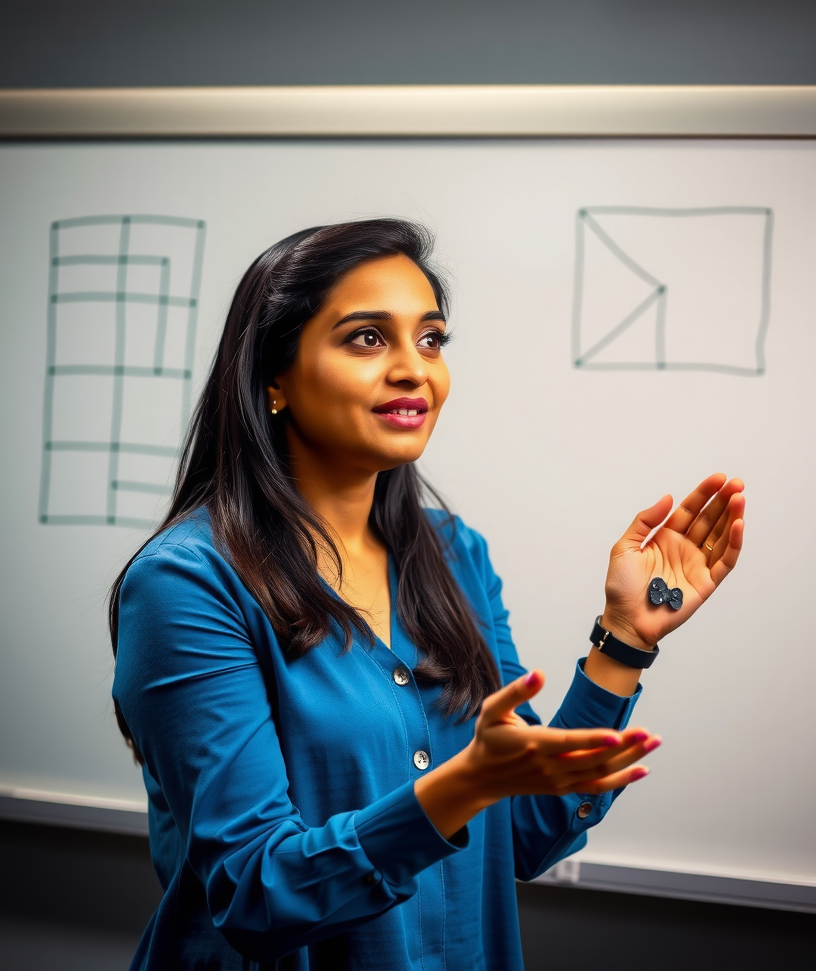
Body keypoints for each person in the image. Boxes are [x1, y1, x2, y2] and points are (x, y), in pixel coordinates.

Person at [109, 218, 745, 971]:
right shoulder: (188, 583)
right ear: (274, 378)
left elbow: (530, 832)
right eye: (367, 338)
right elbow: (256, 894)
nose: (414, 369)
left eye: (431, 339)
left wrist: (624, 638)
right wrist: (457, 787)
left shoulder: (453, 553)